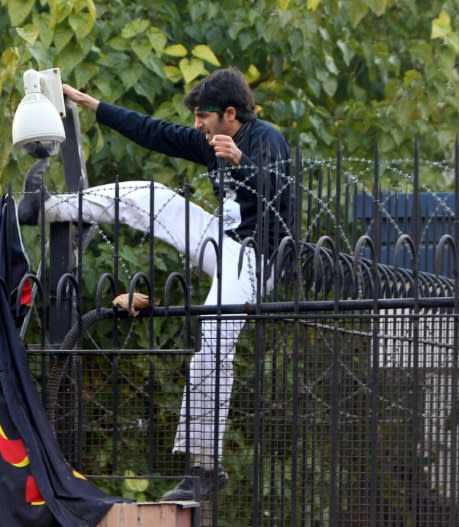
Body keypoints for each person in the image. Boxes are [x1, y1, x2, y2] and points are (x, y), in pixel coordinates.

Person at [18, 68, 292, 501]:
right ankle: (52, 207)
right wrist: (91, 105)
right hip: (223, 244)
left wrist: (244, 166)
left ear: (230, 114)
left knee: (214, 331)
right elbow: (154, 132)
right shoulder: (208, 141)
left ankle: (205, 467)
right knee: (152, 196)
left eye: (203, 117)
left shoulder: (266, 140)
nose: (197, 126)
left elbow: (281, 199)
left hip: (260, 257)